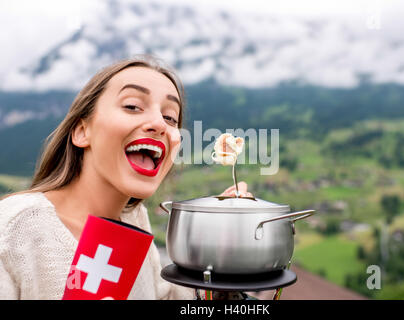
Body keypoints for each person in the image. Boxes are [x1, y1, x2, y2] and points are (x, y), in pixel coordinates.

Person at [0, 55, 251, 299]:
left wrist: (218, 251)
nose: (159, 124)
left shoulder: (134, 221)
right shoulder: (12, 229)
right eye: (132, 106)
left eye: (170, 117)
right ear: (81, 132)